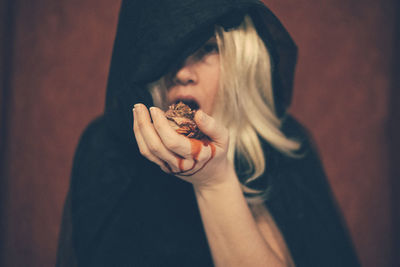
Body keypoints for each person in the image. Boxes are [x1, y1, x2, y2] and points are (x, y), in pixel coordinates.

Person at [56, 0, 361, 266]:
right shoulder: (106, 150)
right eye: (168, 53)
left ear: (239, 58)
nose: (183, 73)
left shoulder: (285, 146)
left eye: (206, 50)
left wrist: (215, 180)